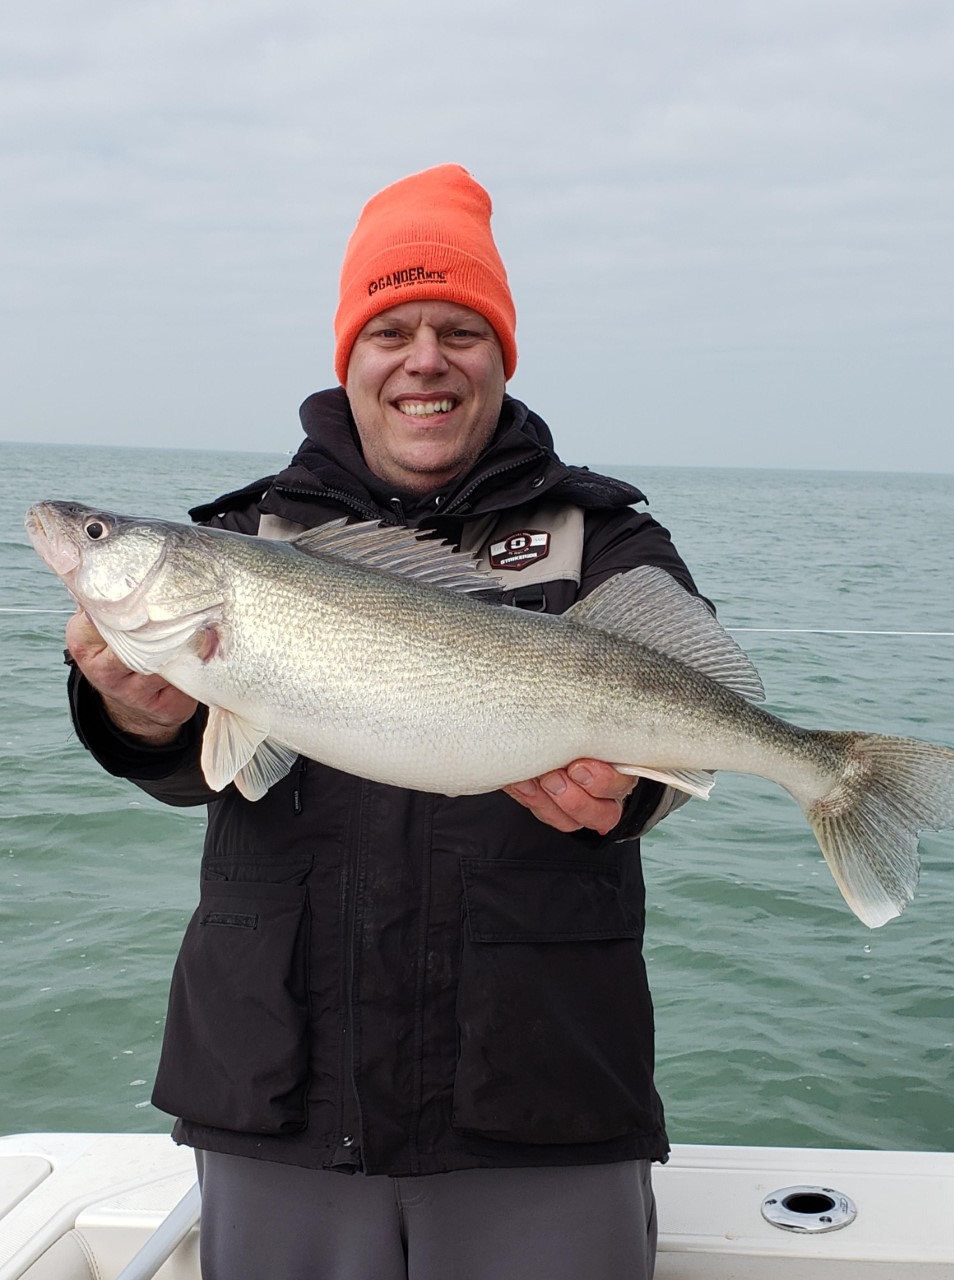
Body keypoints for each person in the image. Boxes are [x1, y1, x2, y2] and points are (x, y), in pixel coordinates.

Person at [64, 164, 701, 1280]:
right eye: (390, 327)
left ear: (502, 355)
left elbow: (677, 731)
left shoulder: (604, 542)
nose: (425, 358)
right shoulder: (241, 537)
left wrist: (631, 787)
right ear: (347, 356)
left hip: (544, 1101)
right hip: (283, 1105)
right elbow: (187, 766)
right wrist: (134, 708)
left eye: (460, 328)